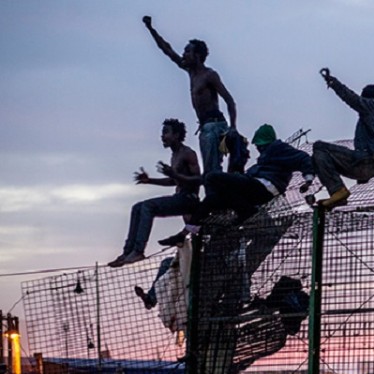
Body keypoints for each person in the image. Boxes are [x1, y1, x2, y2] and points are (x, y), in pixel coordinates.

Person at [162, 124, 314, 241]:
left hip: (263, 187)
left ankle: (245, 210)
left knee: (211, 177)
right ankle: (186, 231)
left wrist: (308, 180)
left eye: (260, 145)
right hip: (254, 189)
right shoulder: (261, 162)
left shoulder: (278, 148)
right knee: (212, 200)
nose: (259, 149)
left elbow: (304, 158)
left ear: (266, 143)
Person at [142, 16, 237, 175]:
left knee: (211, 170)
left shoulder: (209, 75)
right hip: (205, 126)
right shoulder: (191, 72)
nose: (183, 54)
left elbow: (230, 101)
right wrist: (151, 29)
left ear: (197, 56)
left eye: (187, 51)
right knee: (212, 168)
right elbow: (167, 50)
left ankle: (215, 197)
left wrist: (233, 127)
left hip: (215, 126)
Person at [108, 119, 200, 267]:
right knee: (137, 207)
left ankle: (138, 251)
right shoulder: (174, 155)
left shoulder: (188, 153)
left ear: (176, 135)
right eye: (162, 133)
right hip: (179, 197)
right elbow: (173, 181)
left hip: (189, 199)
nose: (162, 136)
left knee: (147, 207)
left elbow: (197, 180)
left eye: (166, 132)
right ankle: (127, 252)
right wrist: (149, 180)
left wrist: (174, 175)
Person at [310, 68, 374, 209]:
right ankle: (338, 199)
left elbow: (351, 98)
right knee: (321, 156)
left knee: (319, 147)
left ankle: (337, 190)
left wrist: (333, 82)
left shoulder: (371, 106)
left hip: (366, 163)